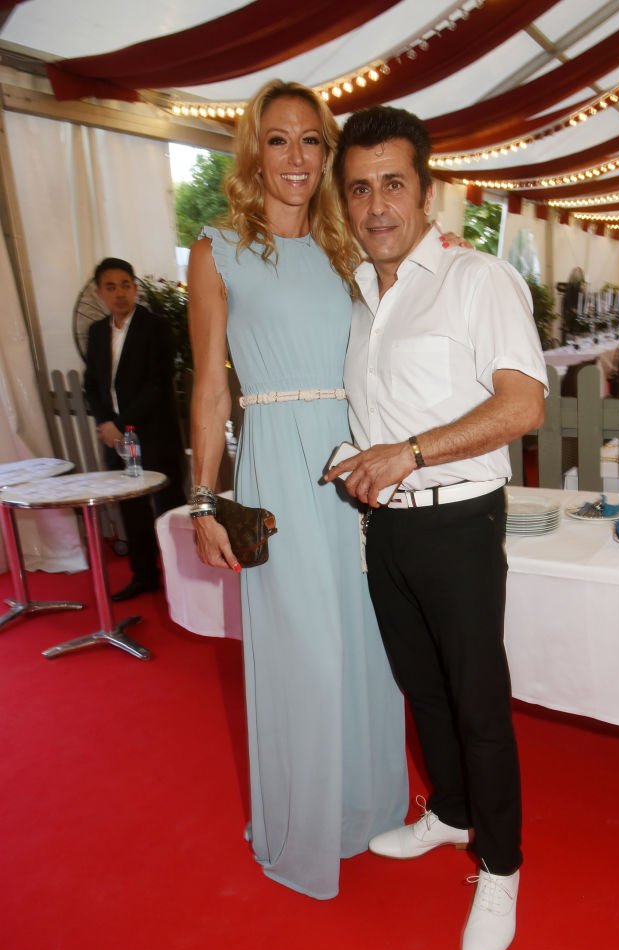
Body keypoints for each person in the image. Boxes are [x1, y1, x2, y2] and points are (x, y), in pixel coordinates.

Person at [327, 105, 548, 950]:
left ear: (425, 189)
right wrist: (361, 459)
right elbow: (376, 414)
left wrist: (408, 452)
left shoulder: (476, 279)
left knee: (478, 703)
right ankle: (450, 813)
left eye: (392, 184)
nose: (377, 204)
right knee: (422, 689)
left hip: (459, 521)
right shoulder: (360, 296)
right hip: (386, 529)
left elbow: (521, 405)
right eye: (360, 189)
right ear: (345, 202)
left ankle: (501, 866)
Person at [185, 80, 408, 900]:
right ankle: (300, 829)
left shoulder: (349, 244)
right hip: (277, 462)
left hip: (352, 468)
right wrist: (205, 501)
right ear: (254, 150)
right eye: (278, 140)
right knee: (302, 653)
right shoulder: (216, 248)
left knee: (366, 645)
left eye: (312, 141)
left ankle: (365, 814)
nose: (297, 158)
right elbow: (210, 385)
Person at [84, 257, 186, 601]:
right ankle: (144, 576)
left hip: (154, 432)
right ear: (99, 292)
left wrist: (121, 424)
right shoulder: (97, 332)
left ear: (135, 288)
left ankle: (183, 578)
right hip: (116, 439)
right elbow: (91, 385)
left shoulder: (155, 327)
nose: (120, 293)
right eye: (110, 287)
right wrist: (105, 424)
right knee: (131, 509)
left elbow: (157, 384)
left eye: (126, 285)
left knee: (169, 505)